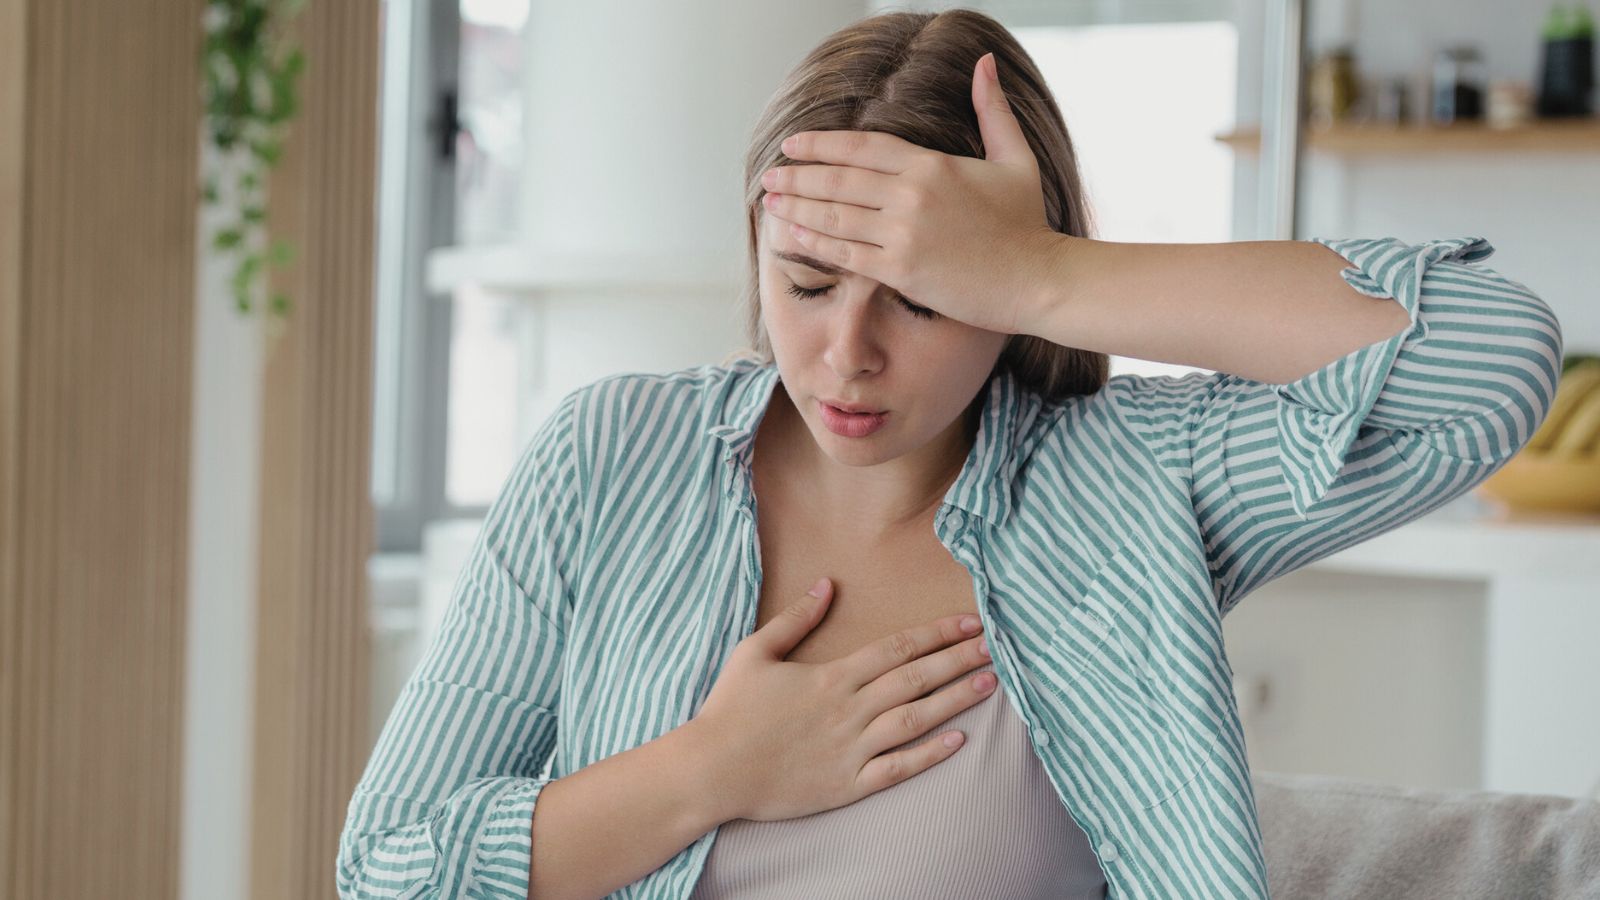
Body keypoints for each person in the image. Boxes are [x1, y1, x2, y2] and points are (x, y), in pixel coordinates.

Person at [336, 9, 1564, 900]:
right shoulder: (611, 458)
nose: (846, 355)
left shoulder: (1130, 485)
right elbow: (388, 869)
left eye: (921, 298)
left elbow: (1493, 364)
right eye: (807, 284)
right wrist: (710, 770)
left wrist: (1044, 273)